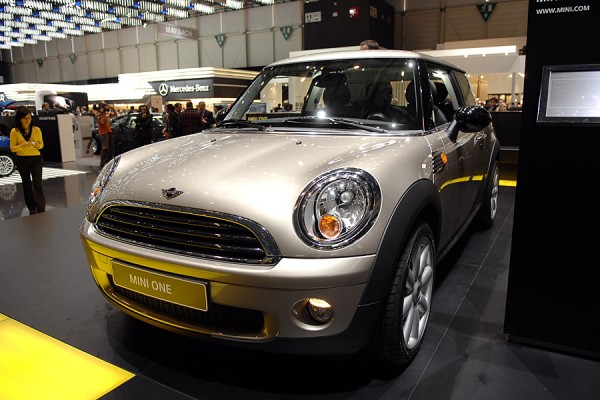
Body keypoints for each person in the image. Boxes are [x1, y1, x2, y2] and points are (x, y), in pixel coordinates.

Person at [9, 106, 46, 215]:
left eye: (29, 117)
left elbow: (41, 145)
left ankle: (41, 208)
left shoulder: (36, 130)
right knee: (26, 184)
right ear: (19, 119)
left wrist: (34, 144)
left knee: (37, 183)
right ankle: (31, 207)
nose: (27, 120)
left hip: (36, 158)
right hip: (22, 159)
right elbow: (13, 148)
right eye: (25, 118)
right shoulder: (14, 131)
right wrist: (22, 145)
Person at [96, 102, 115, 168]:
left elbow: (115, 115)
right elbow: (102, 122)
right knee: (105, 148)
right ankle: (102, 163)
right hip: (103, 132)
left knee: (111, 147)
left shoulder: (107, 113)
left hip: (109, 131)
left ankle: (109, 161)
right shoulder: (98, 114)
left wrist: (113, 108)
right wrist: (104, 114)